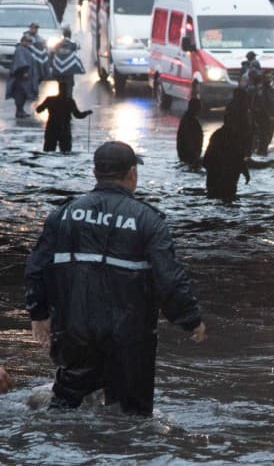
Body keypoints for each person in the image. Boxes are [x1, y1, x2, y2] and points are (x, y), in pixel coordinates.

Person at [24, 141, 207, 416]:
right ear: (132, 173)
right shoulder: (148, 220)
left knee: (64, 407)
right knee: (134, 415)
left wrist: (38, 313)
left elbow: (36, 268)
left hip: (76, 330)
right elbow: (168, 279)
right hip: (130, 335)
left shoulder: (64, 214)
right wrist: (190, 319)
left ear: (95, 173)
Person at [203, 110, 251, 202]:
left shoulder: (217, 135)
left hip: (215, 180)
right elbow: (239, 157)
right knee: (229, 202)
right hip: (229, 181)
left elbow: (206, 160)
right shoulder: (234, 137)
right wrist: (245, 172)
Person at [36, 82, 92, 152]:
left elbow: (38, 110)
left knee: (49, 151)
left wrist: (43, 105)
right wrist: (87, 113)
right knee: (66, 152)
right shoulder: (70, 101)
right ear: (67, 90)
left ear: (59, 89)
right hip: (65, 129)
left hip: (52, 128)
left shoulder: (50, 100)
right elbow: (78, 115)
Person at [6, 35, 41, 118]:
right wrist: (24, 72)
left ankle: (21, 110)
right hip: (20, 77)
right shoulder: (20, 50)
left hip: (25, 77)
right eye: (26, 41)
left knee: (24, 94)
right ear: (22, 41)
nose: (28, 43)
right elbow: (20, 62)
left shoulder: (26, 50)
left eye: (29, 42)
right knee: (20, 94)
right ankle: (19, 111)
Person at [176, 96, 204, 166]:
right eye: (199, 107)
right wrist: (194, 156)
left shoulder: (186, 119)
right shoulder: (191, 122)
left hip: (187, 155)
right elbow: (189, 140)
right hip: (190, 156)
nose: (200, 109)